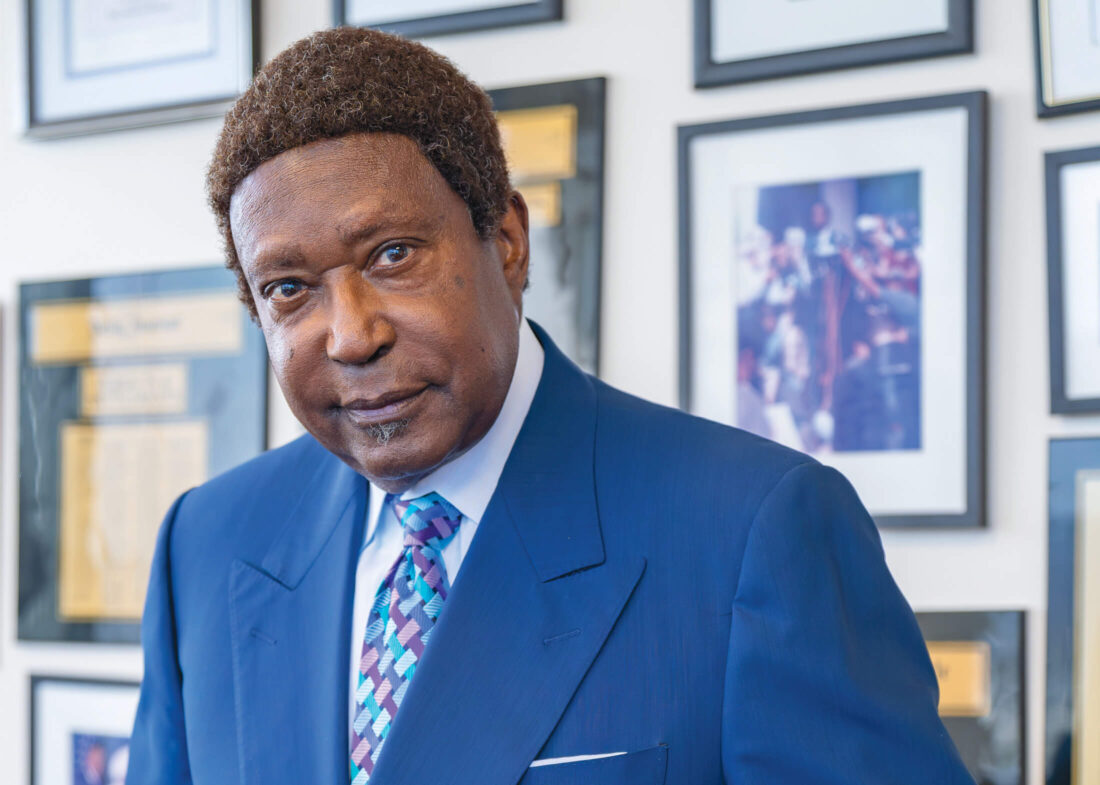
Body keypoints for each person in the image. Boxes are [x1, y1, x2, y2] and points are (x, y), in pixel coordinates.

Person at [126, 26, 974, 785]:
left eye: (391, 254)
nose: (350, 335)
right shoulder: (208, 542)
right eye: (289, 289)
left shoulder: (755, 531)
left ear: (507, 240)